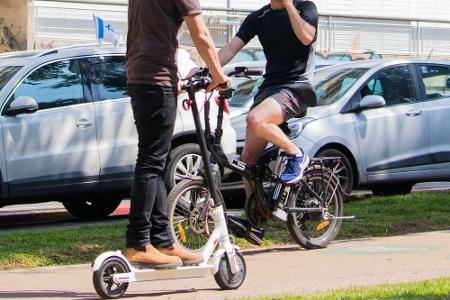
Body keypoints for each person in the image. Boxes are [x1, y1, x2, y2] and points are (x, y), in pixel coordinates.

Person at [123, 0, 229, 269]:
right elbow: (201, 34)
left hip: (140, 76)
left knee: (155, 160)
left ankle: (161, 242)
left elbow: (153, 31)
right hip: (156, 80)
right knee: (151, 161)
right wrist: (219, 75)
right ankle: (137, 243)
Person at [219, 0, 318, 195]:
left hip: (297, 86)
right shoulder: (258, 17)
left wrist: (289, 5)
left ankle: (296, 155)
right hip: (270, 88)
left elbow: (307, 37)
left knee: (255, 119)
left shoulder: (305, 7)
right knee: (248, 158)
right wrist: (207, 70)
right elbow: (230, 49)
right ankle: (255, 216)